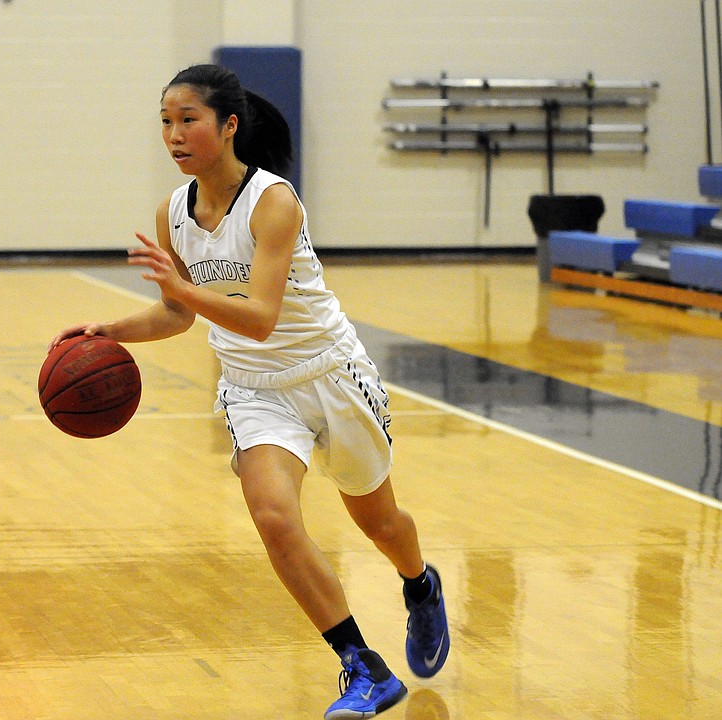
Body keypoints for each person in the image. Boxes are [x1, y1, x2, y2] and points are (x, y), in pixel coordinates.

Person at [49, 63, 449, 719]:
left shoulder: (273, 201)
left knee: (379, 523)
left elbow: (261, 317)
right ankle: (363, 668)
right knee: (272, 518)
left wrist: (183, 292)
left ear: (228, 125)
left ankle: (419, 583)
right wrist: (109, 331)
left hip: (329, 373)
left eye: (188, 121)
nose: (174, 136)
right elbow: (180, 315)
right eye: (165, 124)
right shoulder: (173, 212)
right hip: (254, 386)